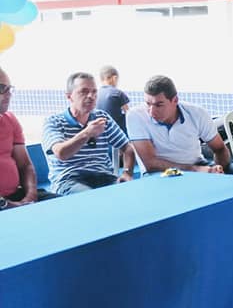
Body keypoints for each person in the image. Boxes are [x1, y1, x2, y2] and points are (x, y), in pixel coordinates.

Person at [126, 74, 233, 176]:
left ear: (175, 100)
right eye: (148, 104)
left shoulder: (197, 113)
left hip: (198, 164)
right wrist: (195, 170)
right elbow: (150, 164)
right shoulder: (135, 116)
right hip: (160, 172)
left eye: (159, 105)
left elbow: (219, 148)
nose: (151, 111)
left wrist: (218, 169)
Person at [43, 72, 136, 195]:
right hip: (69, 180)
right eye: (84, 91)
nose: (91, 96)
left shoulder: (102, 117)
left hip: (105, 177)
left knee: (129, 193)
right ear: (69, 96)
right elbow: (61, 153)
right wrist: (87, 133)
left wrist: (127, 172)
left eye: (94, 92)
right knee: (91, 197)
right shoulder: (54, 121)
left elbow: (127, 148)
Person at [0, 66, 55, 210]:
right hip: (3, 203)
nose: (8, 94)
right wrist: (6, 204)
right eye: (1, 88)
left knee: (61, 204)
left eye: (9, 89)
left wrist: (31, 196)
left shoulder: (10, 120)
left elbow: (25, 165)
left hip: (16, 194)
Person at [97, 65, 130, 134]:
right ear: (114, 78)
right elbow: (128, 113)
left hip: (101, 131)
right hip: (117, 131)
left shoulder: (96, 94)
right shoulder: (118, 93)